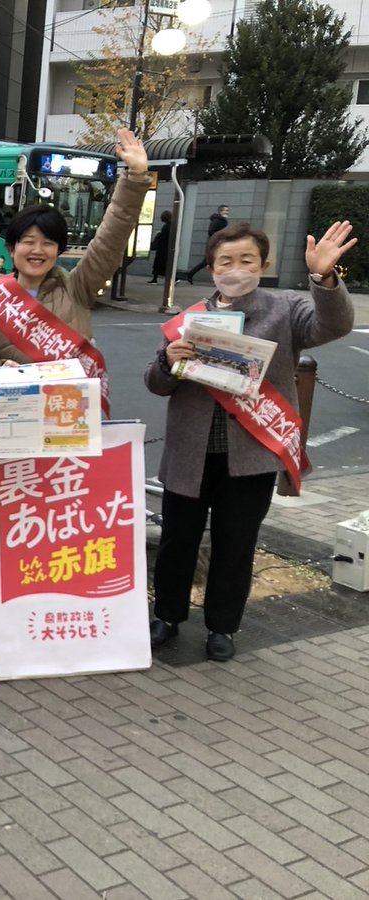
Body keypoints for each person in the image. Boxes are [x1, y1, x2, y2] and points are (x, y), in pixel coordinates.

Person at [146, 221, 355, 661]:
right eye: (225, 261)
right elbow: (157, 384)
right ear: (211, 268)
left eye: (246, 260)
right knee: (177, 541)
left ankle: (222, 625)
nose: (235, 269)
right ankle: (166, 615)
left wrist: (324, 277)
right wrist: (167, 360)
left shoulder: (285, 310)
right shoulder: (189, 320)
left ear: (264, 264)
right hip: (189, 454)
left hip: (251, 456)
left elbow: (334, 325)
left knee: (236, 544)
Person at [0, 129, 150, 404]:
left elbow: (111, 238)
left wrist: (135, 178)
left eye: (48, 243)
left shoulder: (77, 288)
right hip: (16, 419)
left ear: (58, 250)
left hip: (70, 416)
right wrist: (0, 373)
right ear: (12, 248)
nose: (38, 251)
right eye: (28, 242)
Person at [184, 204, 230, 284]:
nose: (227, 212)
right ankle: (191, 274)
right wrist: (218, 238)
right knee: (210, 261)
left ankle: (190, 274)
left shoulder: (221, 220)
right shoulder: (217, 220)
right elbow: (211, 231)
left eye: (228, 211)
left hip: (216, 244)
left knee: (209, 261)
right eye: (226, 210)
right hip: (213, 244)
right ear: (220, 211)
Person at [148, 210, 172, 284]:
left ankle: (174, 279)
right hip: (166, 248)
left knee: (159, 265)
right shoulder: (171, 226)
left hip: (162, 249)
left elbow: (163, 236)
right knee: (160, 265)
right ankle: (154, 279)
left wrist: (159, 234)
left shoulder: (166, 227)